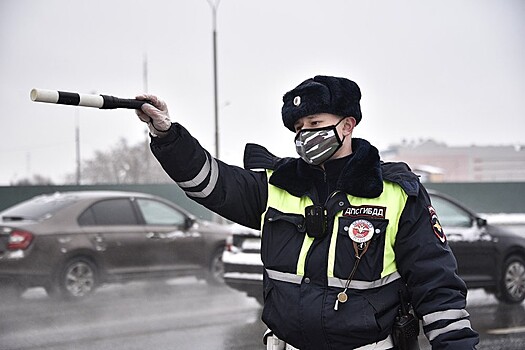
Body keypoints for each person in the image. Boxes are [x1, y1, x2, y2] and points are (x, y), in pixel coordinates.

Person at [135, 75, 479, 350]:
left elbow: (436, 285)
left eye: (315, 122)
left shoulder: (396, 194)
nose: (305, 134)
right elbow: (209, 182)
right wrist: (167, 135)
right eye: (299, 128)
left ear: (347, 125)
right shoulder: (278, 185)